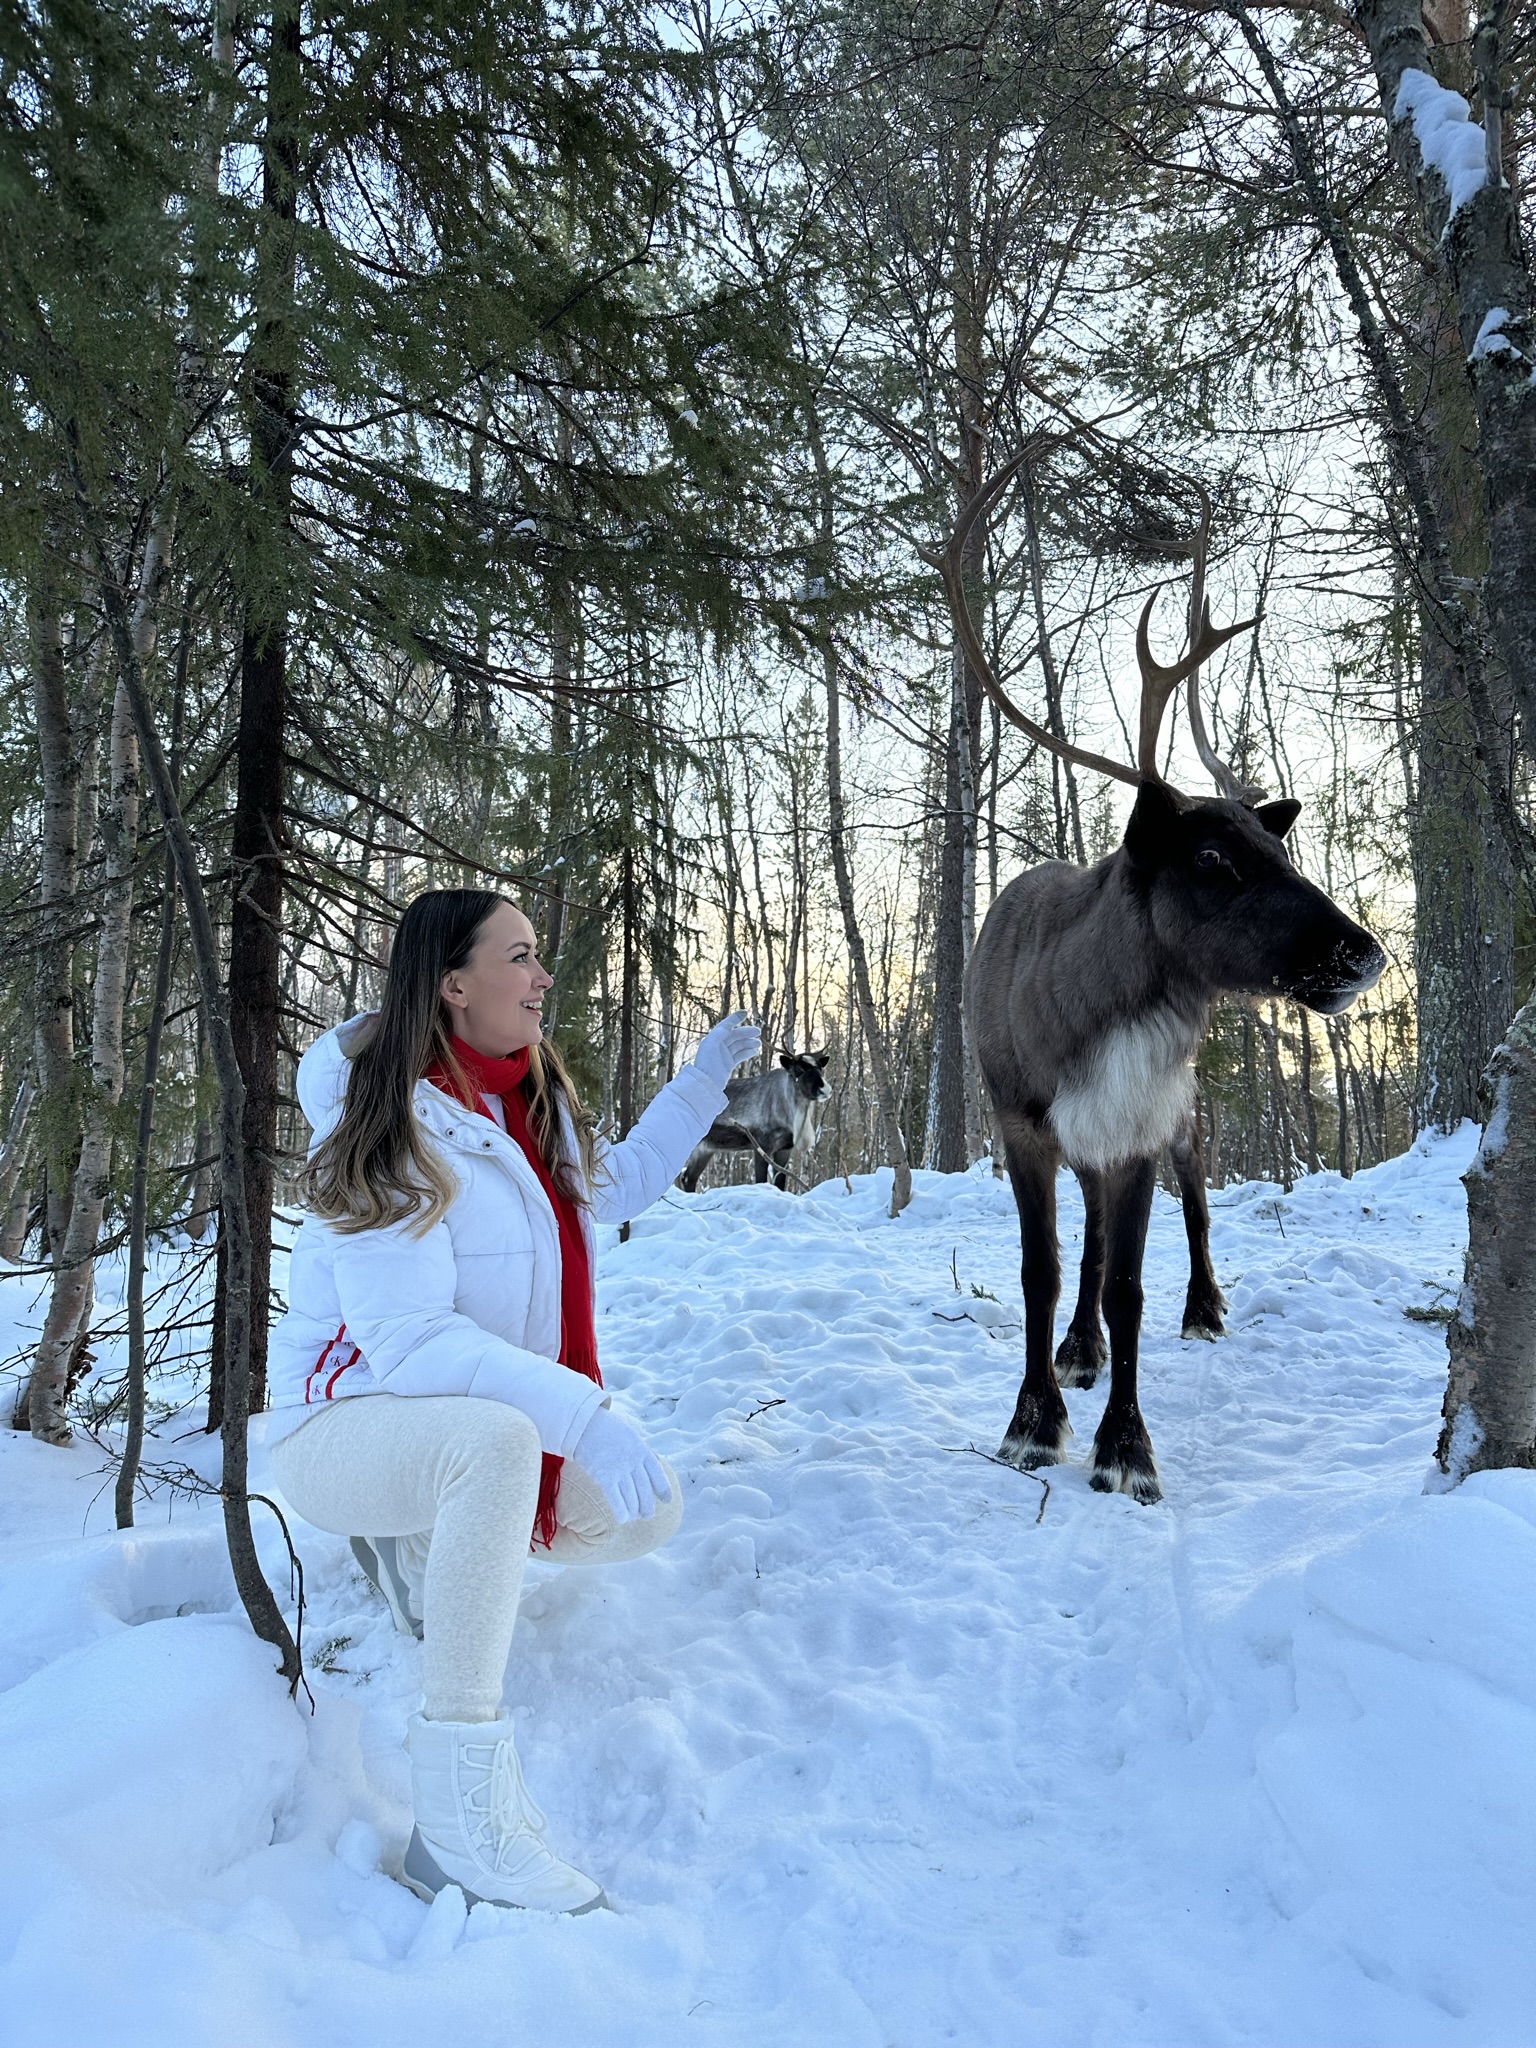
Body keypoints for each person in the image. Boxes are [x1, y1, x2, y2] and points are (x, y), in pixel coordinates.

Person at [263, 888, 759, 1913]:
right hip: (340, 1422)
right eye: (522, 956)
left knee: (639, 1509)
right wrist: (579, 1413)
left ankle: (422, 1548)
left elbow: (610, 1186)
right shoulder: (384, 1119)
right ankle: (456, 1825)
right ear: (453, 985)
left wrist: (703, 1083)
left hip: (439, 1423)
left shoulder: (524, 1103)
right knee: (497, 1441)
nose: (543, 977)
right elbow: (408, 1343)